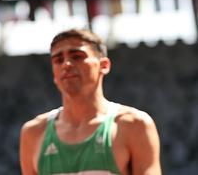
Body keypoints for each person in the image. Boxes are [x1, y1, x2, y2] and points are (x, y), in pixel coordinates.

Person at [19, 29, 161, 175]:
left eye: (77, 57)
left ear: (104, 65)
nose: (66, 64)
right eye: (58, 60)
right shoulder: (33, 132)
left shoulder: (133, 125)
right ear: (54, 73)